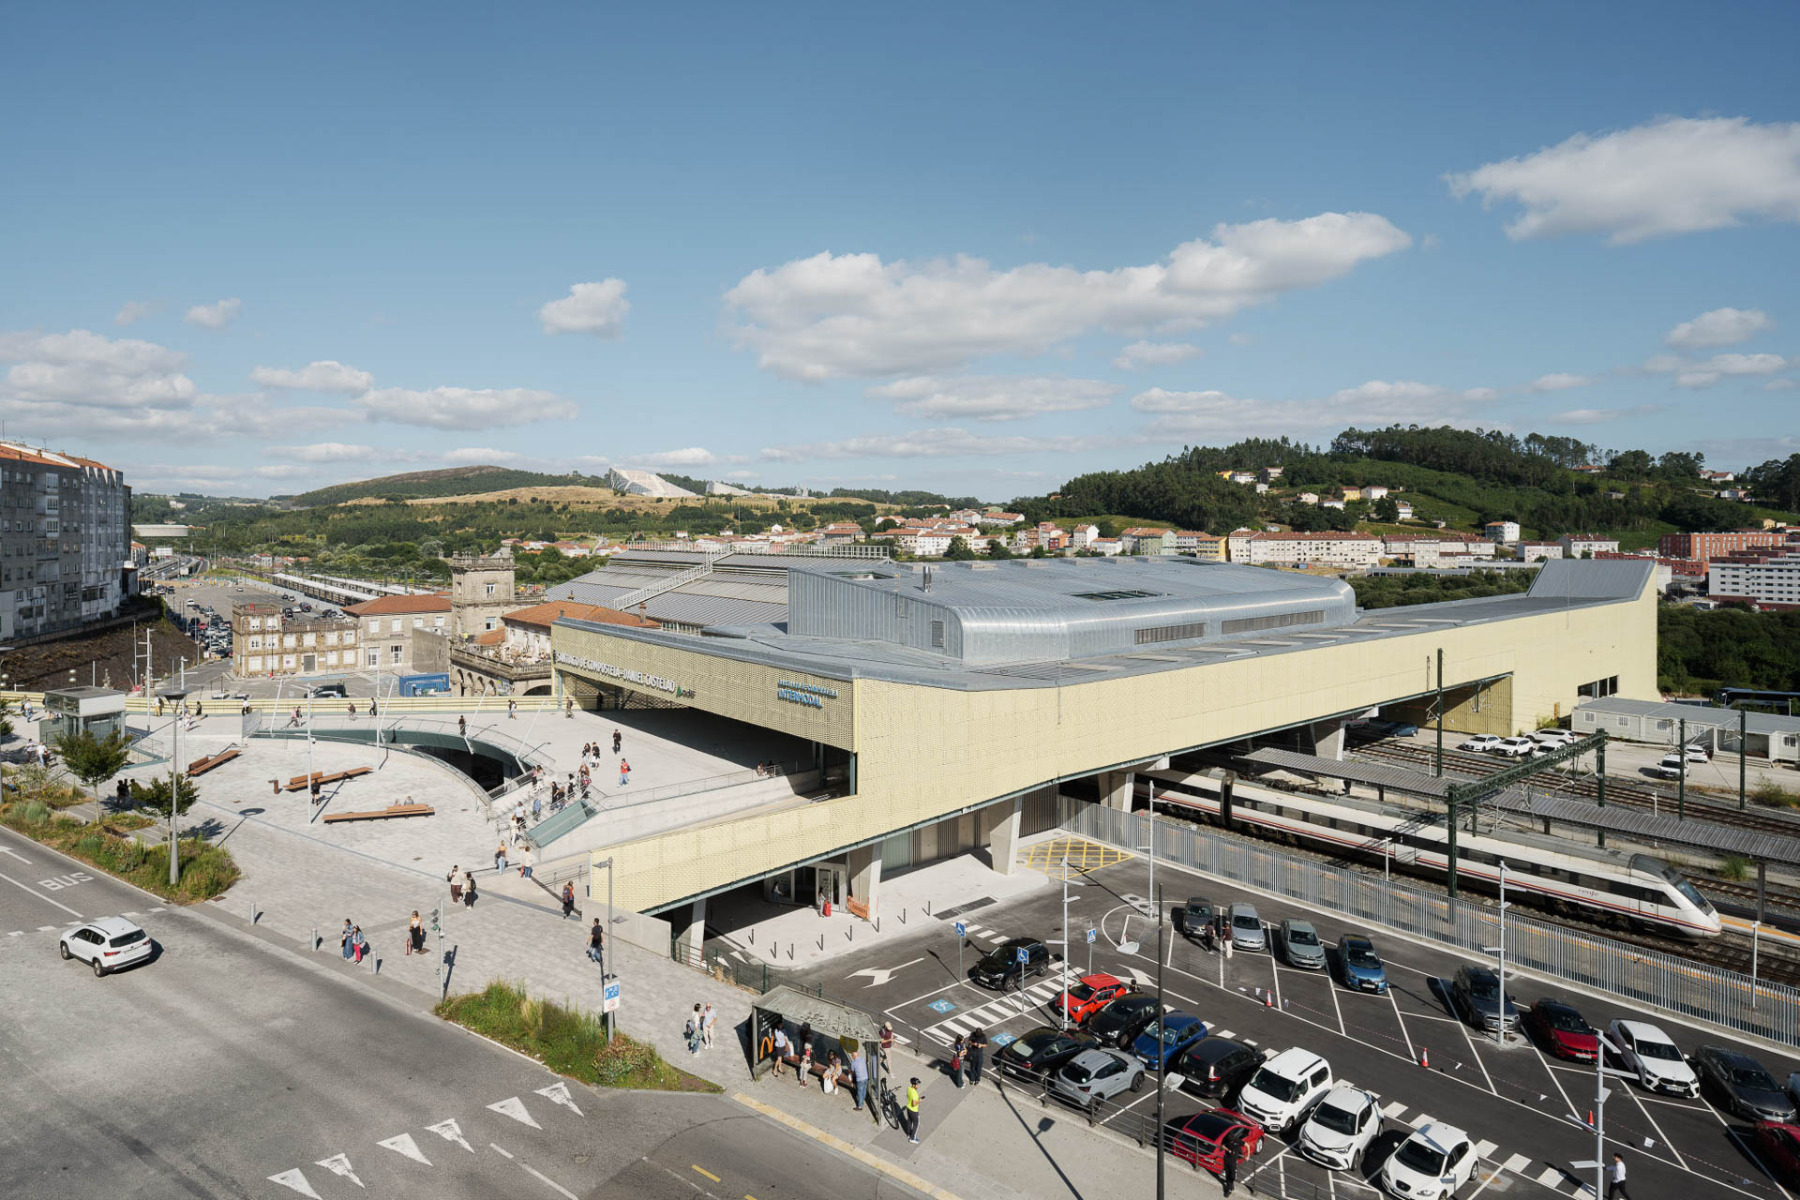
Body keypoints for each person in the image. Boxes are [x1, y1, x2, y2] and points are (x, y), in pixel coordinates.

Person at [1221, 1123, 1246, 1197]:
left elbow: (1246, 1145)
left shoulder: (1237, 1142)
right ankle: (1230, 1187)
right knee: (1227, 1173)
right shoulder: (1227, 1139)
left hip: (1233, 1161)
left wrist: (1246, 1156)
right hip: (1227, 1159)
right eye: (1230, 1142)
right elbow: (1222, 1145)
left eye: (1231, 1141)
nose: (1230, 1142)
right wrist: (1228, 1150)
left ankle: (1229, 1188)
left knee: (1232, 1175)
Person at [850, 1046, 869, 1111]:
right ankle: (863, 1099)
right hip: (866, 1077)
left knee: (859, 1093)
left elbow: (852, 1071)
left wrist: (851, 1077)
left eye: (852, 1056)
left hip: (860, 1079)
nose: (852, 1057)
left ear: (853, 1056)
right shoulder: (863, 1059)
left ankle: (860, 1106)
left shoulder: (853, 1063)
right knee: (864, 1089)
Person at [904, 1077, 921, 1144]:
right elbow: (914, 1104)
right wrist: (919, 1101)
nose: (918, 1086)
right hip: (913, 1111)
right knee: (916, 1124)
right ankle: (912, 1138)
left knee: (909, 1122)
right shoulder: (914, 1093)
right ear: (913, 1085)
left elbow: (907, 1096)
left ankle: (908, 1134)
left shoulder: (909, 1088)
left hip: (908, 1108)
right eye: (917, 1084)